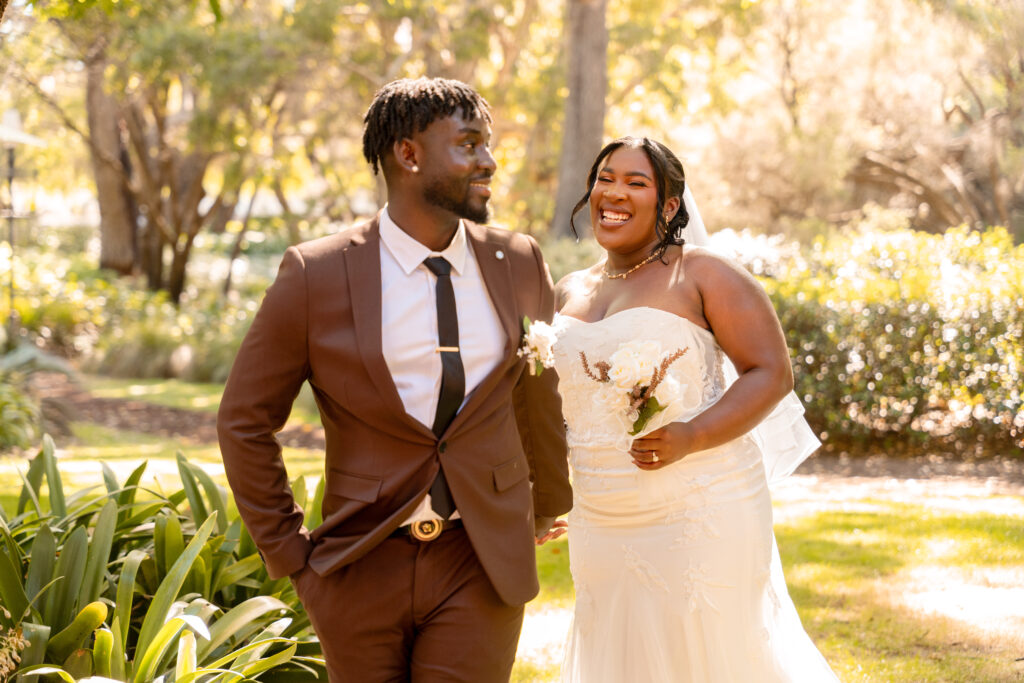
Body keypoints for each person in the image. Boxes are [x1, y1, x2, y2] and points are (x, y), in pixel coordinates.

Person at [216, 77, 572, 683]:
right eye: (468, 144)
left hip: (480, 559)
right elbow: (244, 419)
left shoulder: (519, 260)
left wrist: (544, 505)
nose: (488, 161)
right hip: (359, 560)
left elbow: (535, 395)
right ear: (408, 155)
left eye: (487, 144)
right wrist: (293, 555)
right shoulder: (318, 273)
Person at [549, 136, 838, 681]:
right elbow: (548, 405)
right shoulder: (567, 292)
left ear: (670, 206)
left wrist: (695, 434)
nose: (614, 192)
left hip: (701, 504)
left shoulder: (703, 274)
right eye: (605, 178)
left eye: (637, 183)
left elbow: (771, 372)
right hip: (601, 513)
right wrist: (542, 497)